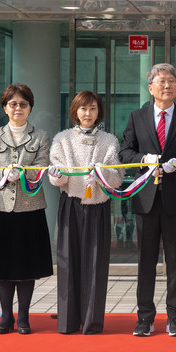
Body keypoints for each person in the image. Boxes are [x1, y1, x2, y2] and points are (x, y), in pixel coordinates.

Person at [119, 63, 176, 337]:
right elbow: (124, 152)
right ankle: (144, 317)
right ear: (150, 87)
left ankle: (175, 317)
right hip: (146, 199)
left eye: (172, 81)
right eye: (162, 81)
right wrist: (144, 159)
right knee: (146, 261)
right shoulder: (137, 117)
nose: (167, 86)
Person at [0, 84, 54, 334]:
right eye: (13, 104)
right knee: (3, 266)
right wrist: (3, 174)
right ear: (5, 108)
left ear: (30, 108)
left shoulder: (41, 136)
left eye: (23, 104)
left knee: (27, 266)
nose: (18, 108)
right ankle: (6, 316)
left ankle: (24, 318)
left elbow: (41, 167)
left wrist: (22, 172)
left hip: (30, 208)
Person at [48, 90, 124, 334]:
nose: (88, 113)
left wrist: (102, 173)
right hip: (71, 204)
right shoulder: (62, 139)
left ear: (99, 111)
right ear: (75, 111)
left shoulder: (109, 140)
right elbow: (56, 178)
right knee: (67, 262)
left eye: (92, 108)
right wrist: (56, 174)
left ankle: (91, 321)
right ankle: (67, 321)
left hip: (98, 205)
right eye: (83, 108)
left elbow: (117, 179)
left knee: (95, 264)